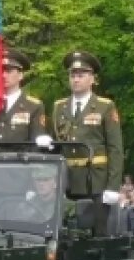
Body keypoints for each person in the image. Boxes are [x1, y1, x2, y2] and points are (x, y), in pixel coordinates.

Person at [52, 51, 124, 236]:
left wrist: (113, 186)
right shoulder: (60, 107)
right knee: (67, 234)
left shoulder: (104, 106)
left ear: (92, 79)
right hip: (68, 181)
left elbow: (115, 148)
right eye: (72, 75)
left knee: (97, 235)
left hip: (96, 183)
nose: (76, 79)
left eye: (81, 75)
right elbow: (57, 146)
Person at [0, 48, 46, 145]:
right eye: (1, 70)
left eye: (9, 71)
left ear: (20, 75)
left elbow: (36, 144)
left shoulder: (34, 106)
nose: (3, 75)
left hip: (20, 159)